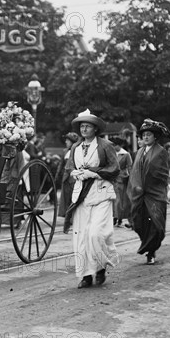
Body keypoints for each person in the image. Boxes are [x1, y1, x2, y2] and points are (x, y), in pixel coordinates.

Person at [63, 109, 119, 289]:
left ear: (95, 129)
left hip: (101, 192)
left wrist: (94, 173)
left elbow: (114, 168)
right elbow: (69, 167)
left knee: (96, 233)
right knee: (82, 236)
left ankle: (101, 266)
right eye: (82, 126)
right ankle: (86, 275)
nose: (84, 129)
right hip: (81, 196)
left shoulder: (104, 146)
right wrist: (75, 172)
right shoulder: (75, 147)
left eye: (88, 126)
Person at [127, 119, 170, 265]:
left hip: (154, 194)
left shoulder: (161, 152)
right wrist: (137, 186)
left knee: (155, 225)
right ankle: (146, 244)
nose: (145, 137)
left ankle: (151, 252)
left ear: (155, 137)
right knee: (139, 222)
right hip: (140, 194)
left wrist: (151, 182)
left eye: (148, 135)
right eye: (143, 135)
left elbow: (163, 173)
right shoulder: (139, 152)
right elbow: (135, 171)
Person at [111, 137, 133, 227]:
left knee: (120, 200)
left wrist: (131, 178)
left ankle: (118, 218)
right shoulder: (111, 153)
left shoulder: (126, 154)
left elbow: (130, 167)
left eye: (115, 145)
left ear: (119, 145)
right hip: (112, 179)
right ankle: (115, 217)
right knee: (114, 200)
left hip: (122, 179)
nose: (113, 147)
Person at [58, 132, 79, 217]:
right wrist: (57, 175)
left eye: (68, 140)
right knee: (66, 198)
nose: (66, 142)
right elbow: (61, 165)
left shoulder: (77, 151)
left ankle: (74, 216)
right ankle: (67, 215)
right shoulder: (64, 151)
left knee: (73, 198)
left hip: (74, 177)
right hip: (65, 177)